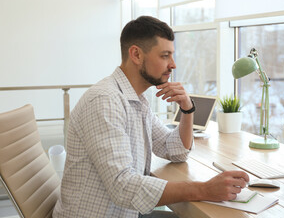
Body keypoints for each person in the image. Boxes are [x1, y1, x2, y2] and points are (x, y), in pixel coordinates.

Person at [53, 16, 249, 218]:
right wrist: (204, 190)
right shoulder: (106, 101)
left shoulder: (136, 100)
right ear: (136, 54)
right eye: (165, 56)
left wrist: (187, 109)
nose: (173, 65)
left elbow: (173, 149)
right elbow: (124, 187)